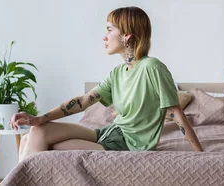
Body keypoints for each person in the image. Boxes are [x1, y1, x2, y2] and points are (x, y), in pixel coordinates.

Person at [10, 6, 203, 161]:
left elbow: (176, 112)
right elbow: (85, 100)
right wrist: (39, 118)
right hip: (107, 133)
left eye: (110, 30)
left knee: (44, 144)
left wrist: (201, 155)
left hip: (128, 144)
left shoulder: (152, 67)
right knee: (34, 132)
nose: (104, 36)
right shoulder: (118, 72)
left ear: (127, 35)